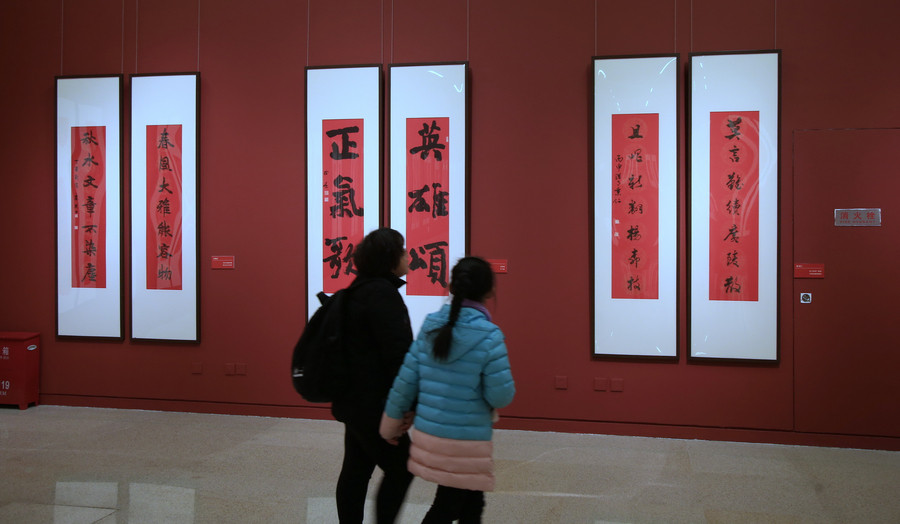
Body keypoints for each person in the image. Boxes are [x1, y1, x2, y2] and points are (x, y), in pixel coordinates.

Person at [380, 256, 516, 523]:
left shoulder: (430, 325)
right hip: (465, 444)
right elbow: (501, 395)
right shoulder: (490, 336)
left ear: (453, 286)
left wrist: (390, 426)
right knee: (447, 507)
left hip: (431, 436)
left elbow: (405, 382)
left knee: (471, 504)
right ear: (489, 291)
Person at [332, 227, 414, 523]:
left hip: (353, 401)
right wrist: (408, 405)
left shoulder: (359, 289)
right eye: (403, 250)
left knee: (356, 469)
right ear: (390, 258)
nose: (408, 255)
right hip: (373, 405)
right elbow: (398, 357)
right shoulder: (382, 294)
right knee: (403, 466)